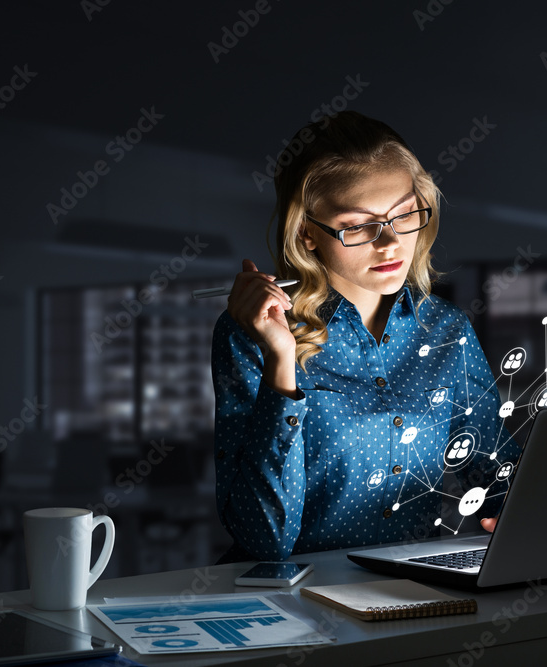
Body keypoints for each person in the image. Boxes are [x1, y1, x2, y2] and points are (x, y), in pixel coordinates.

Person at [212, 110, 519, 563]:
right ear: (307, 233)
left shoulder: (447, 329)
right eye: (357, 225)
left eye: (404, 215)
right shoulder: (250, 334)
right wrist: (281, 359)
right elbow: (265, 541)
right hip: (292, 606)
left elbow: (497, 479)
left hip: (416, 596)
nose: (390, 242)